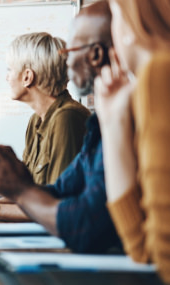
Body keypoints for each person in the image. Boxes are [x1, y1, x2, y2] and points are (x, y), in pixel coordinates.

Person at [0, 1, 121, 254]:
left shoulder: (71, 118)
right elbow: (55, 190)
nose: (66, 62)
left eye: (70, 50)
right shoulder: (98, 122)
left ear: (28, 76)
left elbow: (65, 209)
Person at [0, 32, 90, 221]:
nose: (7, 78)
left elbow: (54, 205)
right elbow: (28, 195)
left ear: (27, 77)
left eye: (9, 70)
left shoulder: (67, 118)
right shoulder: (36, 121)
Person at [94, 0, 170, 282]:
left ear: (131, 23)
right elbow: (143, 251)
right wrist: (113, 121)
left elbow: (159, 256)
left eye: (114, 15)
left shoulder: (161, 73)